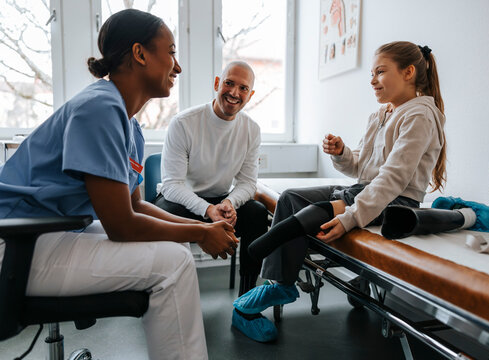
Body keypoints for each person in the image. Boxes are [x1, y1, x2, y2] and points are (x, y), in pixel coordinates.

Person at [0, 9, 237, 360]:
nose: (178, 66)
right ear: (140, 54)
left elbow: (136, 205)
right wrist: (202, 235)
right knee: (174, 262)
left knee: (176, 253)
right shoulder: (99, 109)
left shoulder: (128, 124)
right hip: (16, 245)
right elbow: (121, 225)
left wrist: (204, 225)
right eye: (171, 52)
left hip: (48, 233)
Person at [231, 41, 447, 342]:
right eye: (371, 73)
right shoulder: (381, 115)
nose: (372, 80)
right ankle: (279, 283)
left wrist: (351, 216)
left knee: (313, 212)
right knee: (292, 197)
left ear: (408, 72)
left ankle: (268, 277)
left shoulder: (420, 116)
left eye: (380, 72)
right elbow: (362, 169)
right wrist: (343, 153)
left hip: (397, 202)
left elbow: (393, 179)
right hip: (366, 188)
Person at [154, 61, 268, 296]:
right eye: (229, 83)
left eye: (243, 88)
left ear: (251, 94)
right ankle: (166, 295)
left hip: (221, 201)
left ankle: (246, 300)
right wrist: (207, 210)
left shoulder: (252, 130)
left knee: (257, 213)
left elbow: (247, 182)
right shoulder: (183, 123)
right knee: (165, 215)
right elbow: (172, 185)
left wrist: (229, 203)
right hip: (181, 202)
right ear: (217, 83)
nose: (235, 93)